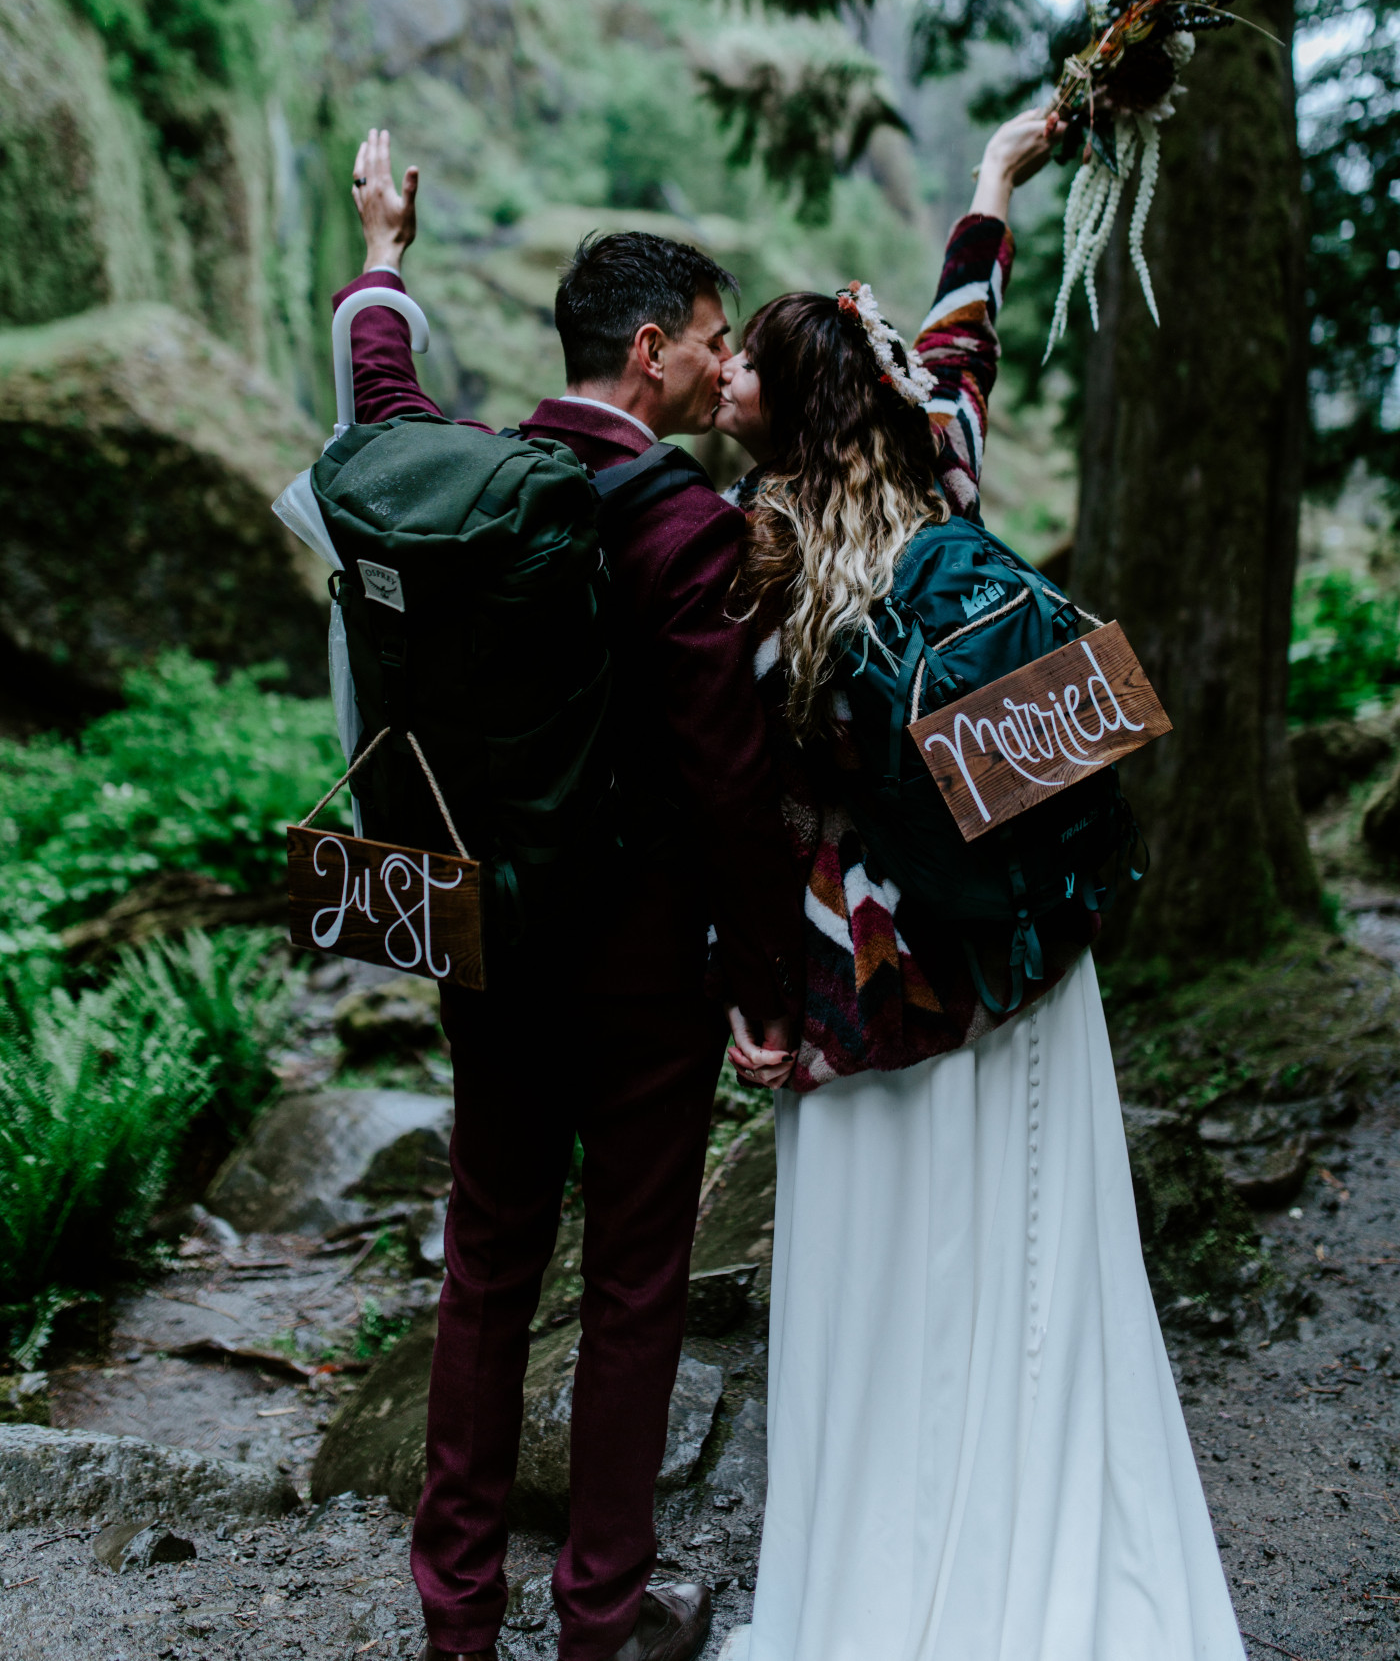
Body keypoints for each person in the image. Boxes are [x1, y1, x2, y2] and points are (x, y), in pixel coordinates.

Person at [715, 109, 1247, 1661]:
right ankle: (1059, 1562)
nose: (727, 377)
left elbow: (733, 811)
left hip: (868, 987)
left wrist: (737, 990)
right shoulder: (938, 477)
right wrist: (998, 185)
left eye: (745, 362)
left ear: (787, 412)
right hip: (1021, 960)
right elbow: (961, 336)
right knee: (1036, 1278)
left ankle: (885, 1597)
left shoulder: (751, 565)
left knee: (884, 1311)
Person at [338, 131, 799, 1661]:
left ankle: (455, 1618)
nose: (728, 374)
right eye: (719, 345)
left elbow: (382, 395)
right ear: (653, 353)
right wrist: (768, 986)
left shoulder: (467, 481)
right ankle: (599, 1616)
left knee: (483, 1271)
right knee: (632, 1291)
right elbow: (732, 789)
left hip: (490, 944)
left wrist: (383, 251)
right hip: (649, 977)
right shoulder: (683, 530)